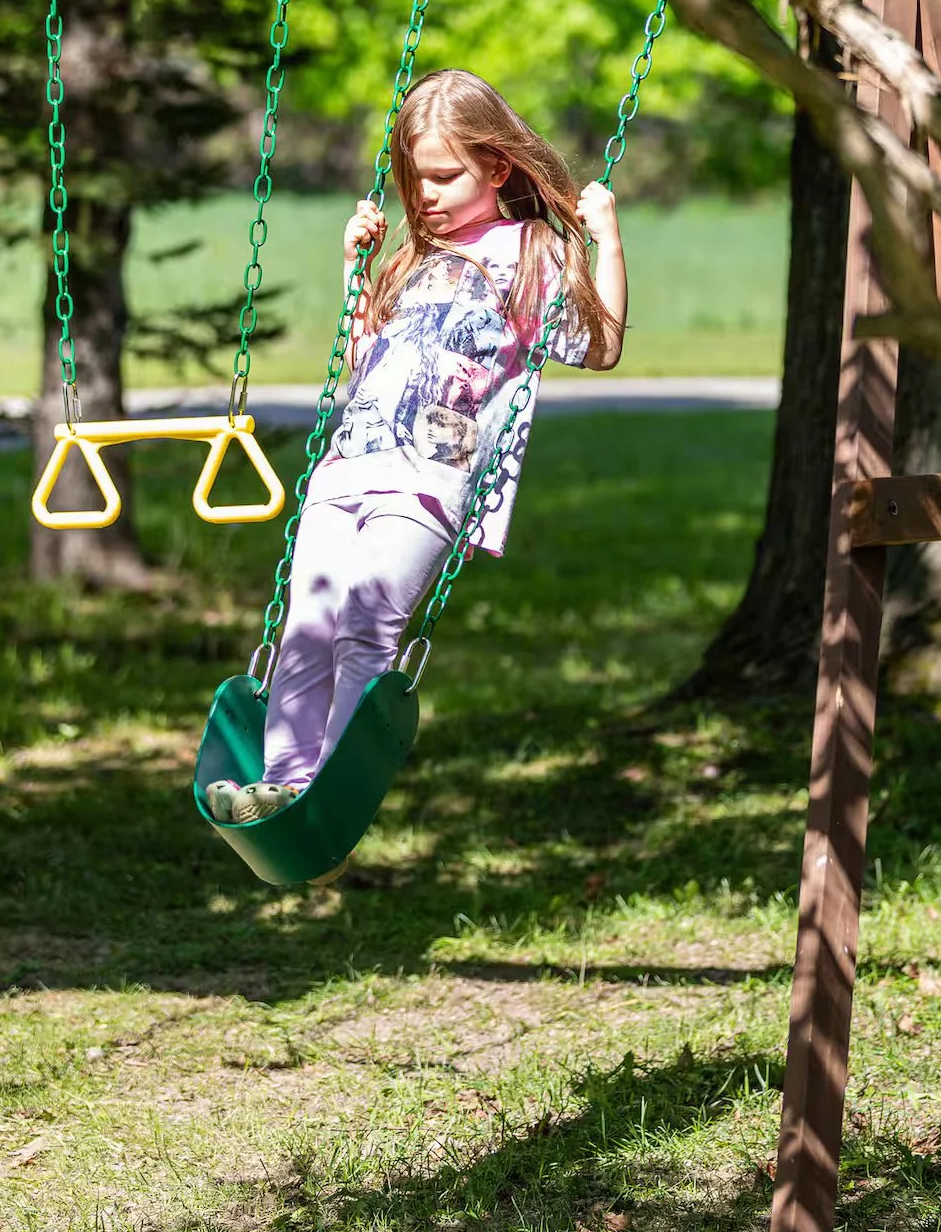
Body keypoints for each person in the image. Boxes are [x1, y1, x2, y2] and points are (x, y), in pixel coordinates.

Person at [205, 68, 627, 826]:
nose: (424, 194)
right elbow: (360, 362)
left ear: (497, 167)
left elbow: (597, 350)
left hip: (430, 481)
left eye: (442, 176)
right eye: (414, 178)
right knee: (308, 620)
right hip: (347, 467)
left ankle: (327, 790)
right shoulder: (413, 258)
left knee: (365, 623)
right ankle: (281, 783)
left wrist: (607, 242)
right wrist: (352, 271)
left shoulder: (532, 251)